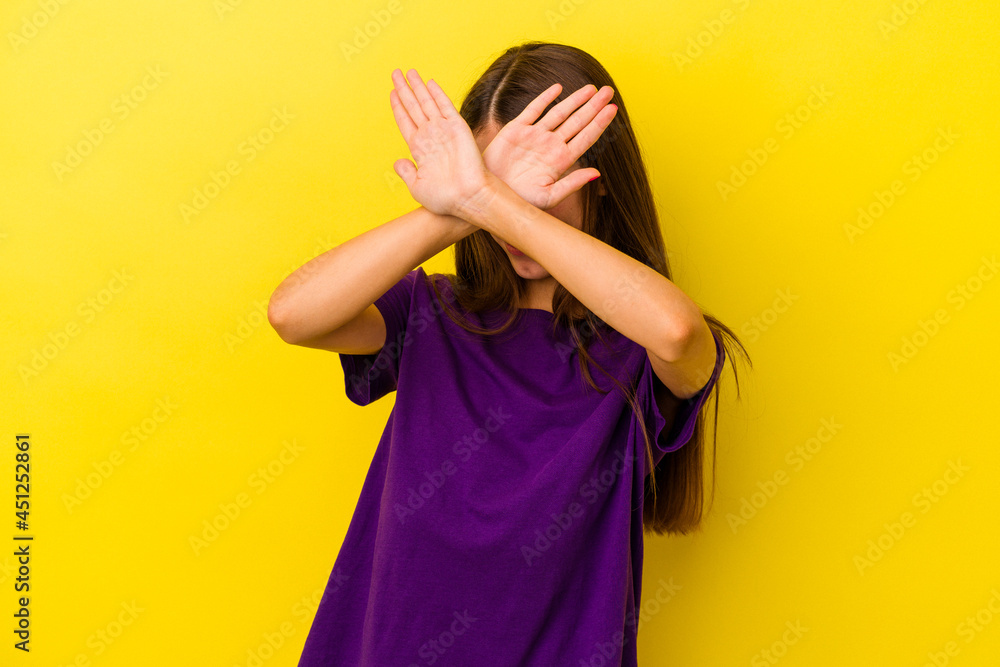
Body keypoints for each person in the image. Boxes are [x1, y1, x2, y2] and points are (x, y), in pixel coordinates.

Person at [268, 40, 750, 667]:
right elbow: (293, 315)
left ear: (598, 183)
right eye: (493, 180)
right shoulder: (429, 312)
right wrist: (456, 209)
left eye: (541, 183)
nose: (517, 202)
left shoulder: (637, 339)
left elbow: (679, 335)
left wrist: (493, 200)